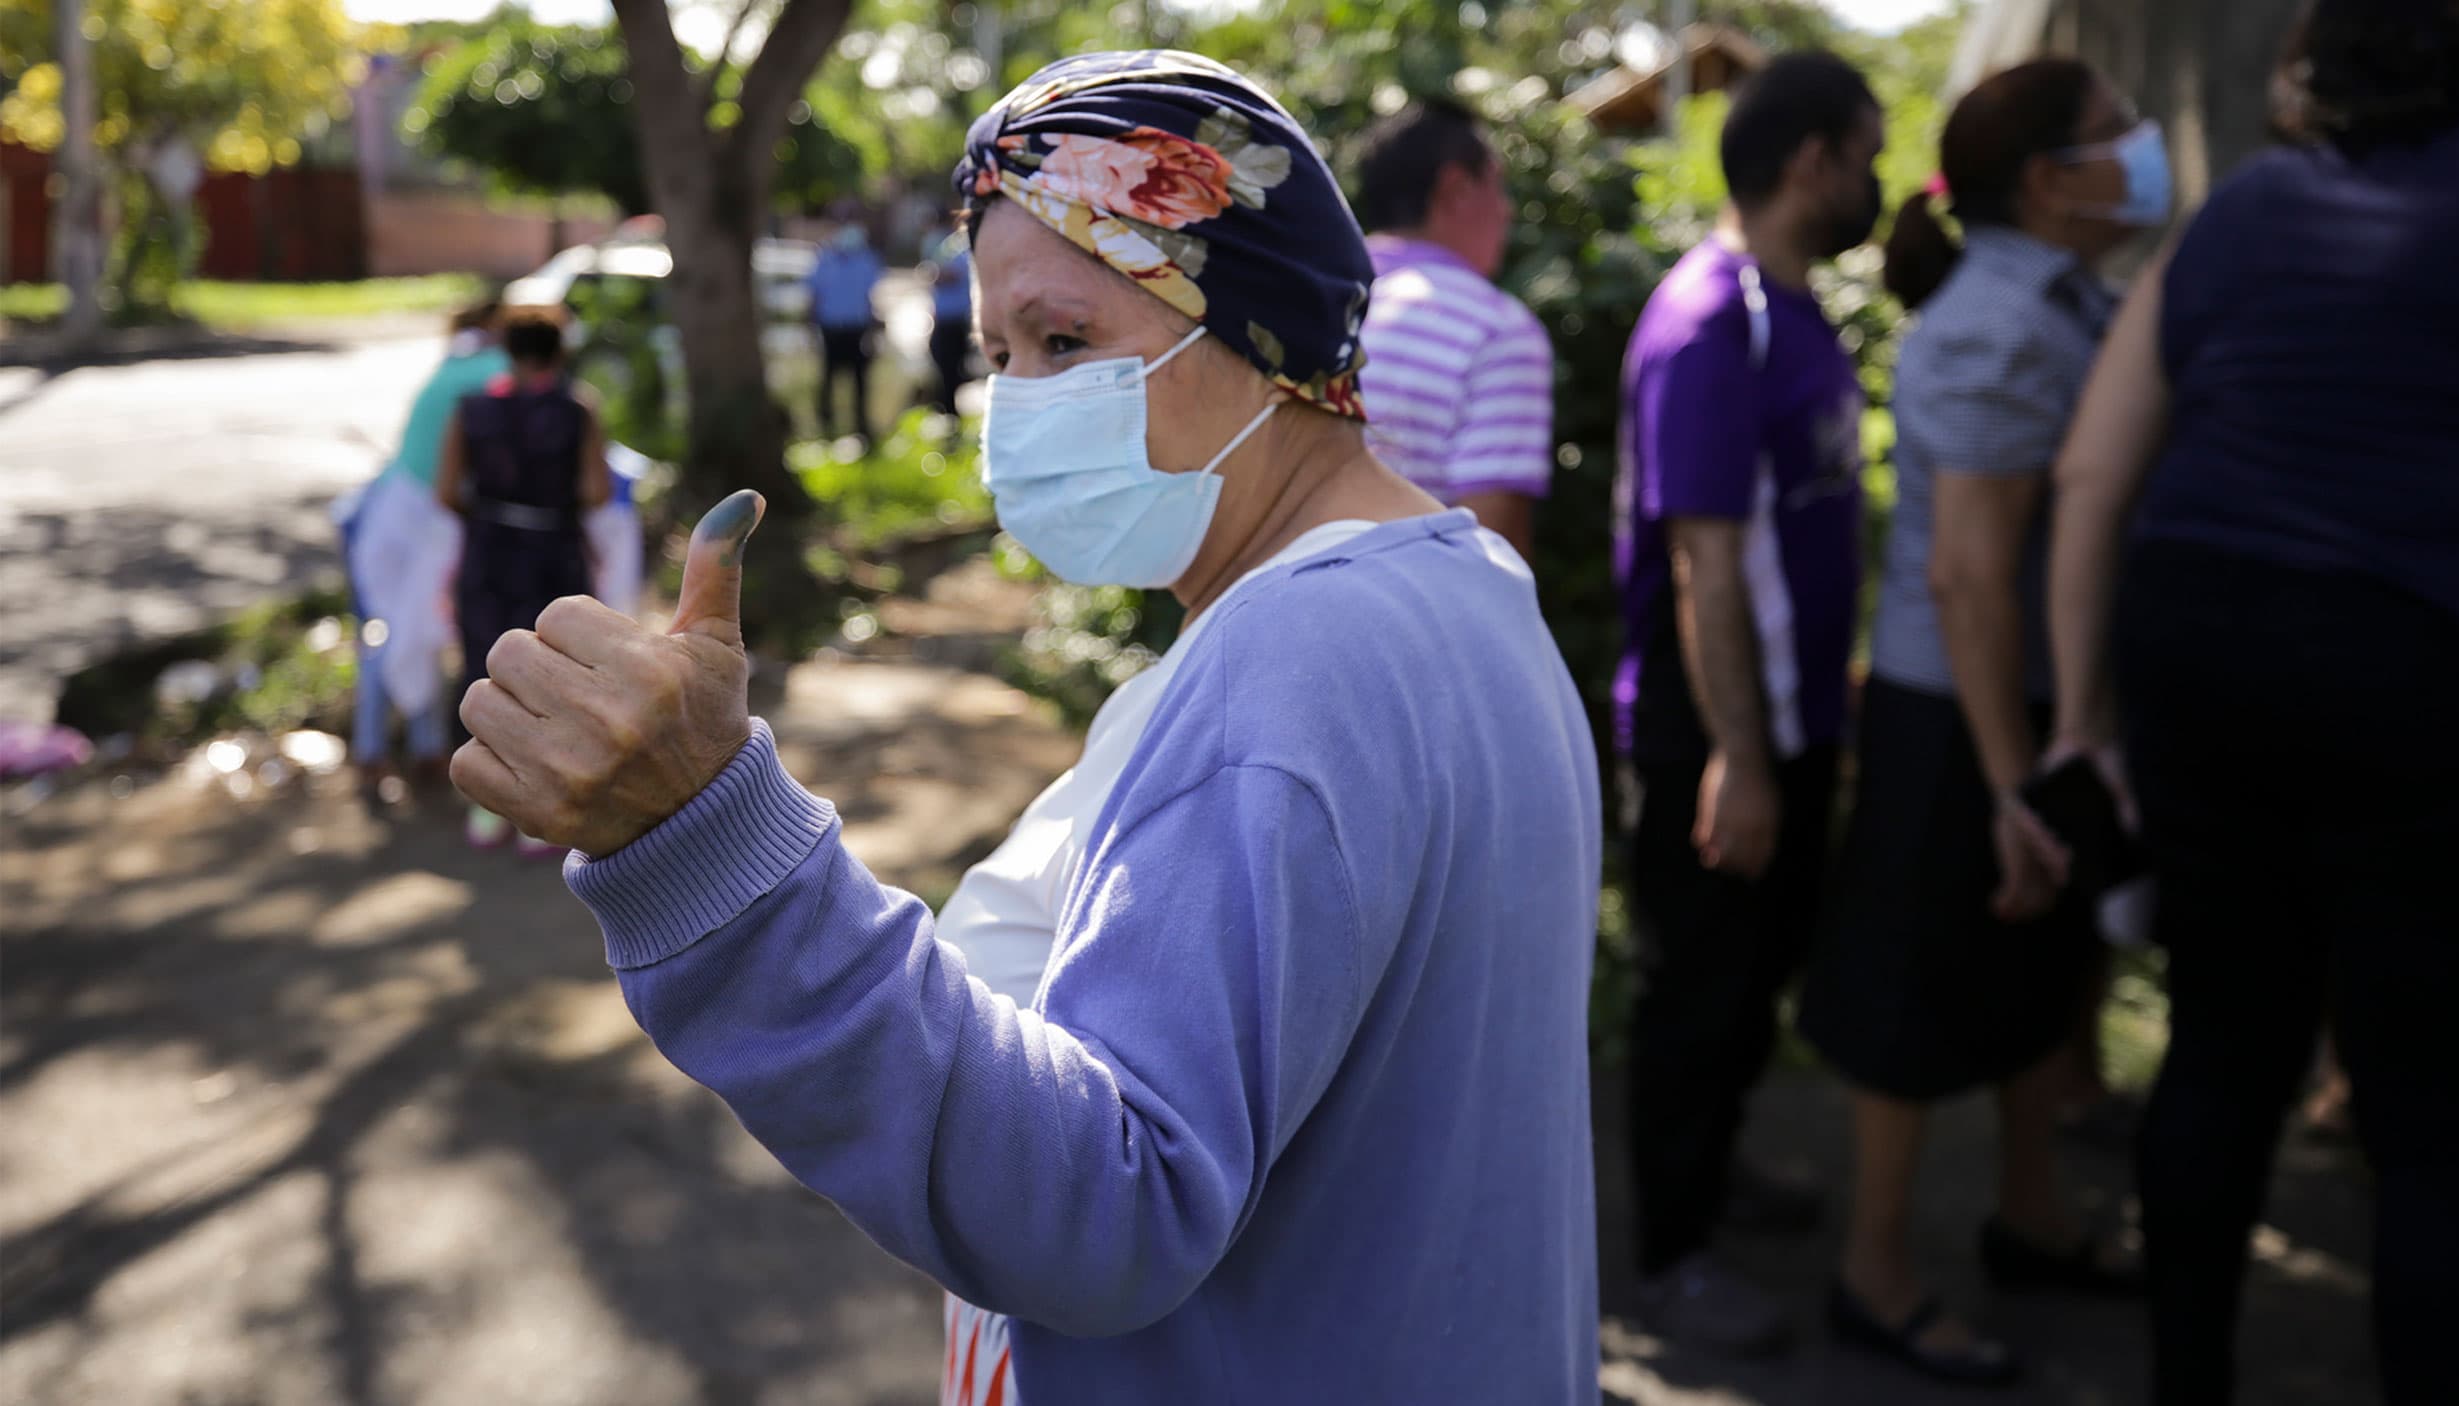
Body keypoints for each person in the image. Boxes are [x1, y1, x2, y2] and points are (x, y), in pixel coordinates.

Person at [449, 51, 1603, 1404]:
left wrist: (713, 844)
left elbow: (1110, 1204)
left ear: (1251, 322)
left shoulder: (1300, 658)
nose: (1022, 405)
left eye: (1067, 341)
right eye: (1001, 353)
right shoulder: (1466, 587)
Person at [2045, 3, 2459, 1401]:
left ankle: (2190, 1382)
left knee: (2223, 1041)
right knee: (2434, 1112)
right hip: (2421, 655)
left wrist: (2080, 718)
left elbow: (2092, 477)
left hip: (2204, 636)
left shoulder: (2237, 211)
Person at [1791, 58, 2157, 1388]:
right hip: (1965, 721)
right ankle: (1875, 1273)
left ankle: (2031, 1214)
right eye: (2122, 131)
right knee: (1911, 992)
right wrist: (2017, 783)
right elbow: (1967, 577)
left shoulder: (2062, 297)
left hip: (2022, 713)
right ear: (2055, 182)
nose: (2147, 147)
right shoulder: (2003, 325)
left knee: (2031, 982)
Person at [1612, 50, 1882, 1355]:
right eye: (1870, 151)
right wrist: (1741, 755)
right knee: (1700, 986)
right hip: (1715, 734)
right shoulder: (1714, 319)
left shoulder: (1795, 305)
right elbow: (1702, 555)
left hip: (1786, 719)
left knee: (1755, 968)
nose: (1880, 179)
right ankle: (1671, 1255)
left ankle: (1715, 1178)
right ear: (1811, 162)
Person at [436, 311, 611, 855]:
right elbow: (597, 490)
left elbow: (445, 490)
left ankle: (488, 810)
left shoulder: (472, 410)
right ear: (559, 353)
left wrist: (490, 513)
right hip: (553, 552)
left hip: (489, 549)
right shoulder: (577, 410)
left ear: (506, 352)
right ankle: (546, 813)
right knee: (553, 677)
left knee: (485, 670)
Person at [1351, 97, 1553, 560]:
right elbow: (1490, 555)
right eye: (1498, 187)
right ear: (1457, 188)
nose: (1507, 211)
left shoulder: (1300, 303)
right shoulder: (1496, 331)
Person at [345, 301, 506, 792]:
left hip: (388, 511)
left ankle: (399, 752)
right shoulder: (496, 372)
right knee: (413, 635)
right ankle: (405, 753)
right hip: (426, 521)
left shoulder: (454, 364)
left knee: (401, 633)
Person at [809, 203, 884, 439]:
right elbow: (813, 297)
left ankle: (862, 430)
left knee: (860, 382)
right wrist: (809, 331)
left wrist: (875, 331)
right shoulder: (823, 258)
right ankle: (826, 431)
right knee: (828, 380)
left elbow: (871, 298)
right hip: (830, 330)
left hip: (857, 330)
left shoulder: (867, 258)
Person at [922, 218, 976, 415]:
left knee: (952, 373)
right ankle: (946, 414)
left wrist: (933, 273)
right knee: (943, 373)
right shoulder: (946, 246)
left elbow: (945, 276)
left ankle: (951, 417)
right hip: (944, 321)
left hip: (956, 323)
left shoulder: (960, 246)